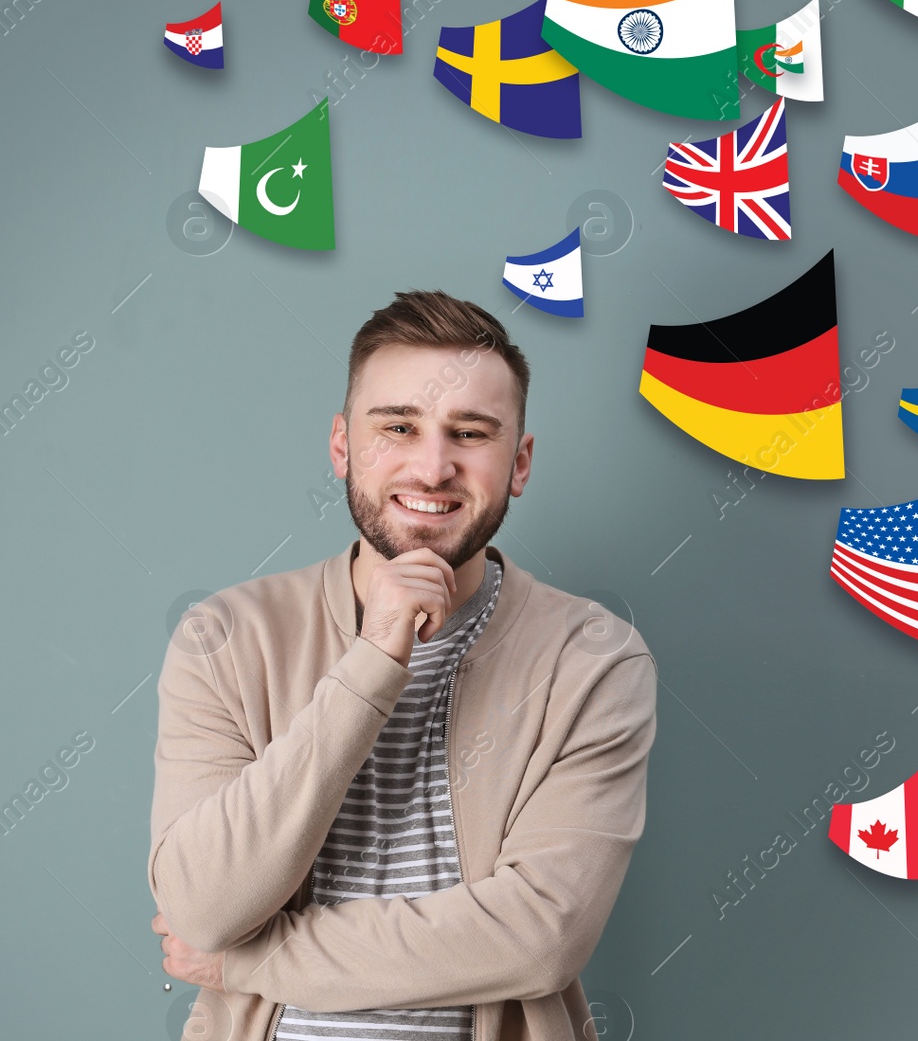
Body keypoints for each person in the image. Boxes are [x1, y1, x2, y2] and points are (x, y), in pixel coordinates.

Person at [147, 290, 656, 1041]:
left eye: (470, 432)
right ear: (341, 447)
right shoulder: (223, 636)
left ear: (518, 463)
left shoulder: (595, 658)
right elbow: (203, 906)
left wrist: (246, 963)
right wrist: (373, 659)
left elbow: (540, 938)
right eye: (398, 427)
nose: (433, 464)